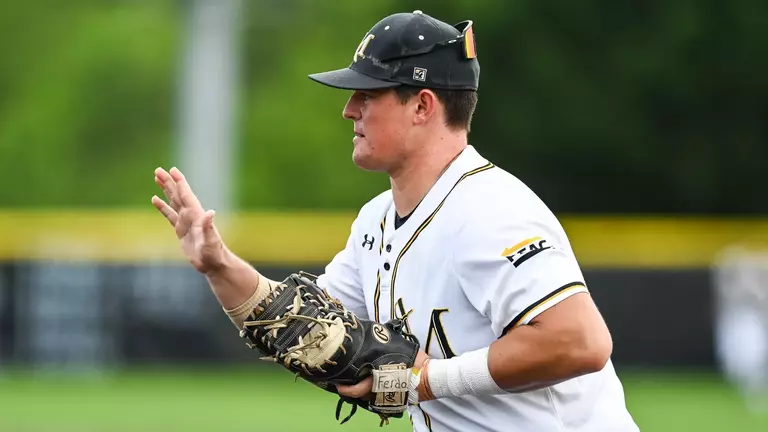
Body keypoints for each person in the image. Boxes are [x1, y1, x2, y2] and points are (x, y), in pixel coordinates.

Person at [152, 10, 639, 432]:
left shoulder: (489, 210)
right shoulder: (375, 221)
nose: (348, 110)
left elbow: (581, 342)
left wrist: (424, 381)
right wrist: (219, 266)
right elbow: (300, 326)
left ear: (423, 106)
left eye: (368, 93)